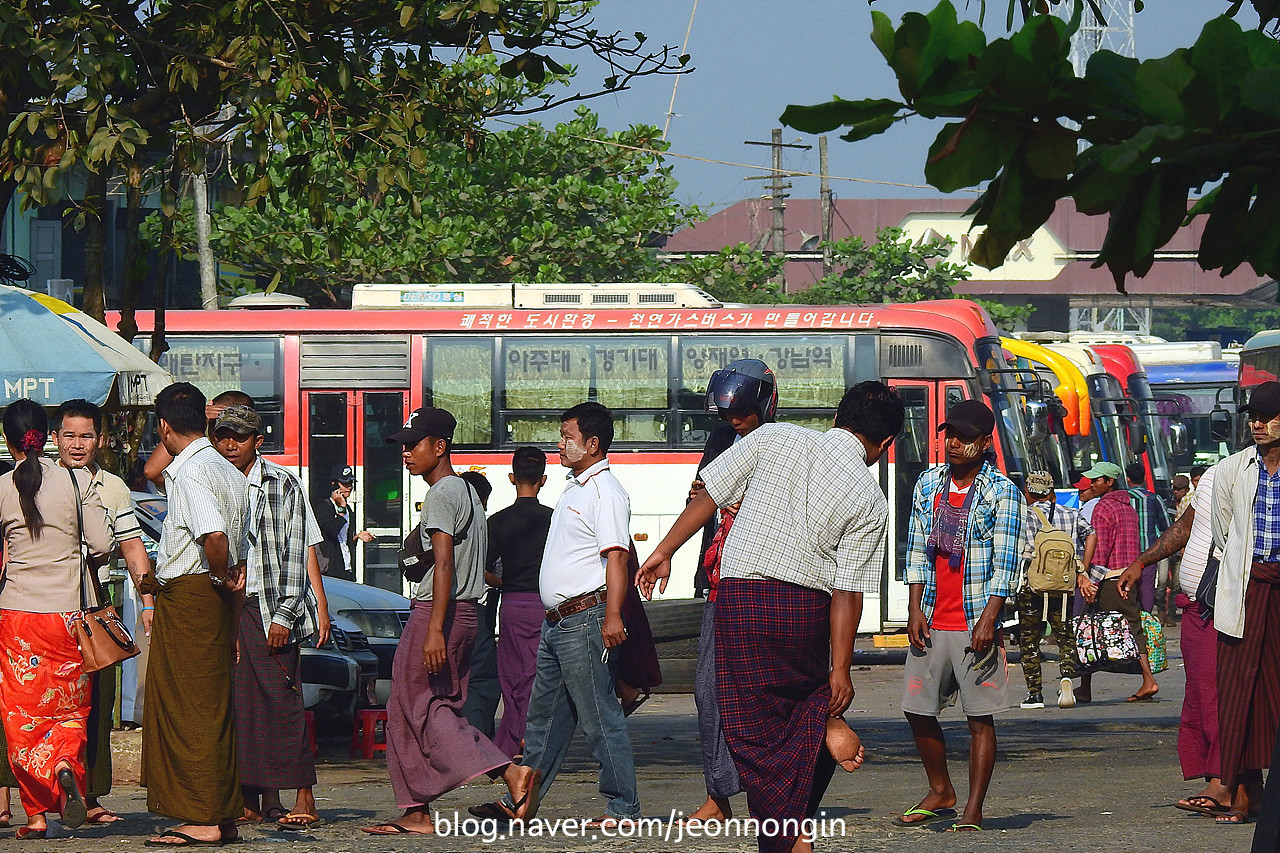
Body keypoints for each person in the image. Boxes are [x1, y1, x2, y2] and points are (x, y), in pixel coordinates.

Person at [639, 382, 898, 853]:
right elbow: (848, 592)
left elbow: (708, 496)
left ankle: (815, 738)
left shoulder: (773, 438)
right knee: (797, 703)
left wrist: (663, 551)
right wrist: (840, 670)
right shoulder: (870, 498)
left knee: (751, 736)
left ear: (838, 416)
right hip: (804, 615)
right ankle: (817, 727)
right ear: (885, 445)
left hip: (741, 603)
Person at [366, 407, 537, 835]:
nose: (404, 453)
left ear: (440, 446)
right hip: (466, 612)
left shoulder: (443, 493)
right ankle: (416, 809)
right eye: (402, 446)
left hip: (439, 612)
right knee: (421, 706)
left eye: (413, 444)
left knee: (417, 704)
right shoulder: (465, 491)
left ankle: (506, 772)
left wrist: (433, 630)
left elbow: (444, 565)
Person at [475, 402, 640, 830]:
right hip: (557, 621)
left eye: (567, 436)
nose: (560, 443)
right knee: (543, 717)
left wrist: (613, 616)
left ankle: (622, 808)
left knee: (599, 715)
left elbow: (617, 559)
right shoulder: (574, 488)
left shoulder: (605, 491)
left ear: (592, 443)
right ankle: (523, 800)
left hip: (585, 617)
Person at [898, 399, 1023, 833]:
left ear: (985, 443)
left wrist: (990, 618)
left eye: (965, 438)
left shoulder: (1002, 492)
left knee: (978, 717)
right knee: (917, 708)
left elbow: (1006, 564)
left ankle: (973, 808)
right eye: (950, 435)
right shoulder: (929, 483)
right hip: (932, 615)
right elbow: (916, 549)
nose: (954, 444)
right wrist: (913, 607)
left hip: (974, 620)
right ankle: (940, 790)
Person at [211, 404, 332, 831]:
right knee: (240, 705)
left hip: (273, 607)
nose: (229, 445)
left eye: (238, 437)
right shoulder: (212, 482)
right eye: (222, 435)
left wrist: (288, 613)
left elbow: (299, 554)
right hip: (231, 608)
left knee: (282, 702)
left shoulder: (282, 485)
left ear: (257, 441)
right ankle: (249, 798)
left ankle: (304, 794)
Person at [141, 382, 251, 847]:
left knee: (188, 710)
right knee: (213, 707)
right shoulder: (229, 470)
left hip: (192, 597)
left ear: (165, 427)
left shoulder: (190, 472)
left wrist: (220, 574)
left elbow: (215, 539)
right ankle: (220, 812)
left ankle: (202, 816)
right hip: (215, 600)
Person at [0, 399, 112, 839]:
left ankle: (35, 814)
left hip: (18, 618)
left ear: (8, 442)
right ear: (47, 436)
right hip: (66, 616)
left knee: (22, 718)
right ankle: (65, 763)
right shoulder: (73, 479)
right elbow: (103, 542)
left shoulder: (2, 487)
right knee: (68, 710)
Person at [53, 398, 157, 826]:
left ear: (101, 440)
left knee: (97, 700)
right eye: (69, 435)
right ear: (54, 438)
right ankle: (23, 796)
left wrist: (147, 600)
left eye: (86, 436)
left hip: (93, 605)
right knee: (34, 700)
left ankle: (89, 794)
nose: (77, 445)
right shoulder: (35, 480)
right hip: (40, 606)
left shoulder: (112, 486)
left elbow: (133, 547)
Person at [683, 359, 776, 824]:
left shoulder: (782, 445)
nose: (733, 422)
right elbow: (700, 496)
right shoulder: (720, 441)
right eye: (726, 415)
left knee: (769, 692)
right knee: (708, 689)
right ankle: (719, 792)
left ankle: (776, 790)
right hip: (722, 580)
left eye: (740, 413)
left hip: (770, 582)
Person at [1117, 466, 1229, 817]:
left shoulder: (1249, 474)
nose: (1257, 424)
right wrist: (1141, 561)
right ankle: (1227, 784)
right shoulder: (1218, 473)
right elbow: (1186, 526)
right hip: (1196, 608)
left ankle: (1226, 783)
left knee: (1217, 697)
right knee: (1199, 694)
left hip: (1223, 606)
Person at [1210, 381, 1280, 825]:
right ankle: (1244, 792)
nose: (1257, 424)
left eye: (1268, 415)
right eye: (1253, 416)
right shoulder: (1233, 469)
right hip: (1248, 590)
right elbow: (1223, 533)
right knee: (1241, 693)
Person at [486, 447, 553, 758]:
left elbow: (484, 570)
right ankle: (531, 737)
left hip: (511, 604)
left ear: (512, 478)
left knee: (511, 677)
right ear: (544, 479)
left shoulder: (498, 522)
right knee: (537, 675)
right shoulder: (554, 520)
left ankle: (513, 739)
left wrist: (508, 582)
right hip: (545, 606)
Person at [1076, 461, 1160, 705]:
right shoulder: (1128, 508)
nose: (1091, 484)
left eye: (1096, 480)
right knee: (1125, 626)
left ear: (1109, 482)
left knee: (1091, 628)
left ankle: (1147, 679)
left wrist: (1089, 581)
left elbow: (1101, 550)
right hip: (1128, 576)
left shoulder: (1103, 509)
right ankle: (1086, 686)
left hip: (1109, 578)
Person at [1016, 470, 1096, 711]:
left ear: (1028, 491)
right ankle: (1066, 679)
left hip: (1033, 586)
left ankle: (1035, 694)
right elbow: (1091, 534)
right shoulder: (1071, 514)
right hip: (1063, 587)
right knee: (1064, 636)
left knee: (1029, 640)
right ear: (1052, 493)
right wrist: (1082, 568)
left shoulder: (1024, 515)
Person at [459, 470, 502, 740]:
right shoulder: (481, 529)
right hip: (475, 611)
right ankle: (477, 742)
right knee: (482, 680)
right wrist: (503, 582)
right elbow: (477, 571)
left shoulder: (444, 523)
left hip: (444, 611)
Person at [311, 465, 374, 580]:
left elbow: (344, 539)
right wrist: (341, 509)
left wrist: (358, 537)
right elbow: (332, 531)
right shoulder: (323, 507)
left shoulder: (348, 510)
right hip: (330, 566)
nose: (349, 487)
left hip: (346, 565)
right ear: (334, 484)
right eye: (345, 484)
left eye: (351, 483)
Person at [1126, 462, 1171, 614]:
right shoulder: (1154, 498)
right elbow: (1167, 526)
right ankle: (1145, 619)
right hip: (1148, 554)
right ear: (1145, 478)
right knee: (1146, 589)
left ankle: (1131, 621)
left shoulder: (1122, 499)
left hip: (1126, 555)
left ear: (1127, 479)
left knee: (1128, 588)